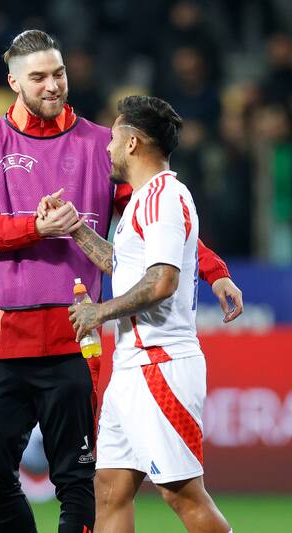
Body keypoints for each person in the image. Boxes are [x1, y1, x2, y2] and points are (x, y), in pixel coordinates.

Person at [0, 30, 243, 533]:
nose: (52, 85)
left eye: (59, 73)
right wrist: (36, 226)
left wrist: (213, 269)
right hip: (2, 336)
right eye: (39, 77)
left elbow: (158, 225)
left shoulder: (101, 146)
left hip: (76, 337)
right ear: (14, 82)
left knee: (82, 484)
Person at [66, 95, 232, 533]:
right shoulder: (143, 201)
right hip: (131, 368)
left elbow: (162, 282)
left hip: (161, 364)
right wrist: (76, 229)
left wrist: (100, 312)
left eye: (113, 137)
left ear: (133, 142)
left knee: (182, 493)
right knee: (109, 490)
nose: (107, 147)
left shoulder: (165, 196)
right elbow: (123, 266)